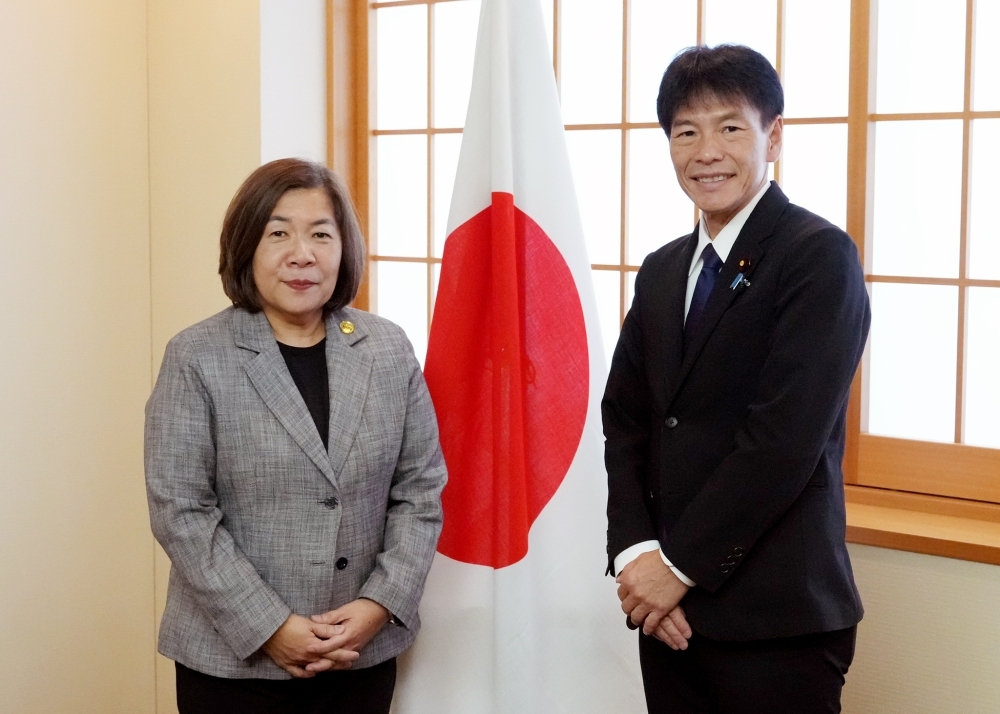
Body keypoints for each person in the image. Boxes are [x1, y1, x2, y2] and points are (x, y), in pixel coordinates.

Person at [603, 45, 869, 713]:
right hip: (670, 618)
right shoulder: (663, 270)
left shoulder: (817, 256)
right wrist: (640, 558)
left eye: (729, 127)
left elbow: (782, 440)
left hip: (777, 618)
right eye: (685, 132)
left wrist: (676, 569)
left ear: (772, 137)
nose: (705, 151)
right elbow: (627, 419)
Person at [145, 158, 447, 714]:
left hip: (359, 653)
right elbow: (181, 511)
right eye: (278, 233)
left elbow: (421, 490)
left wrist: (379, 604)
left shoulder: (386, 348)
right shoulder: (196, 356)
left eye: (320, 234)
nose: (301, 253)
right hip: (234, 665)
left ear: (343, 248)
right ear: (245, 248)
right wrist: (270, 625)